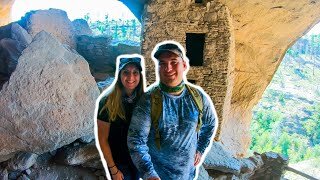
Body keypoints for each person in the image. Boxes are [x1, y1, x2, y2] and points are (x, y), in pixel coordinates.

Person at [127, 41, 218, 180]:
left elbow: (210, 123)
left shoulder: (197, 97)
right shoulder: (149, 101)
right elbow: (136, 141)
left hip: (188, 175)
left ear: (184, 65)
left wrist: (200, 149)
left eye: (174, 62)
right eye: (162, 63)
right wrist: (150, 174)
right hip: (159, 176)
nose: (168, 68)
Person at [96, 55, 145, 180]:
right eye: (126, 72)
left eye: (135, 72)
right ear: (119, 75)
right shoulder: (108, 102)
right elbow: (102, 139)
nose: (131, 77)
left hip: (139, 160)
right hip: (119, 162)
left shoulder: (145, 100)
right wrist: (113, 169)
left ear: (140, 75)